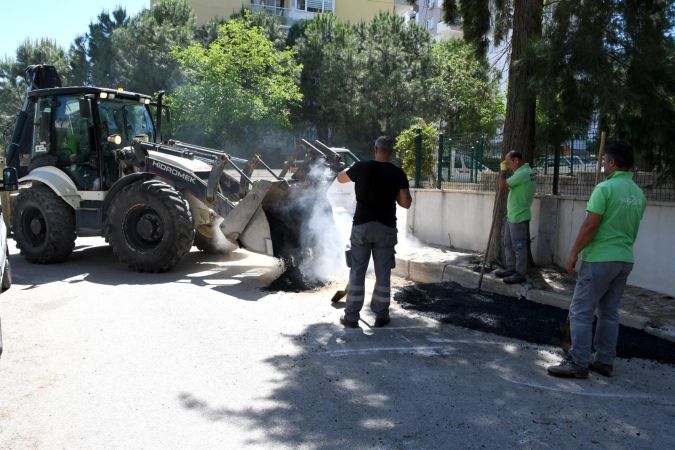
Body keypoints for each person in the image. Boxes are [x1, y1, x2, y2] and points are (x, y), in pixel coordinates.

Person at [548, 142, 646, 379]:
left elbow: (591, 225)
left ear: (612, 163)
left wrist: (573, 255)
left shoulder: (605, 189)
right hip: (624, 259)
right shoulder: (638, 193)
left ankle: (578, 362)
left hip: (601, 258)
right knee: (609, 312)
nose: (602, 164)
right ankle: (604, 360)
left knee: (581, 310)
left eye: (604, 161)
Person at [336, 136, 412, 328]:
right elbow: (406, 203)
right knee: (383, 273)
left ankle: (351, 316)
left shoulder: (361, 167)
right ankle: (381, 315)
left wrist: (349, 170)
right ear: (391, 152)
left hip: (362, 227)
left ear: (375, 149)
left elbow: (341, 178)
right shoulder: (397, 173)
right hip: (385, 228)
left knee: (357, 271)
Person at [496, 150, 536, 284]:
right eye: (505, 164)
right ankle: (511, 268)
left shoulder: (523, 173)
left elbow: (502, 185)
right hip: (513, 216)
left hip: (519, 217)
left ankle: (520, 274)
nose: (507, 165)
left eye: (508, 162)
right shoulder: (524, 172)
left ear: (516, 161)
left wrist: (502, 171)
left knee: (519, 247)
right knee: (508, 244)